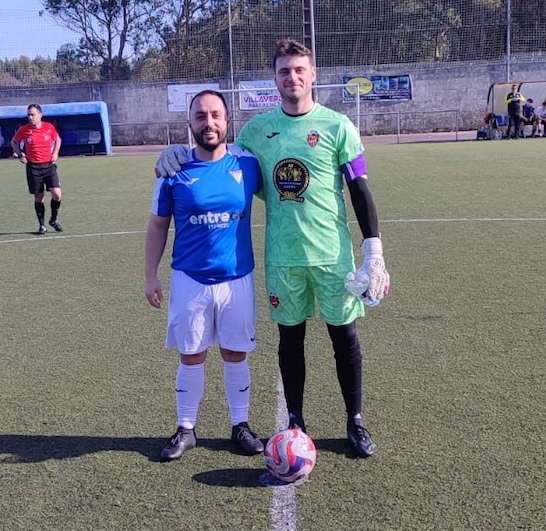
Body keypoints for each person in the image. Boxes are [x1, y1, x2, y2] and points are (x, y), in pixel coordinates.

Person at [156, 38, 390, 458]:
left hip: (332, 255)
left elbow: (359, 189)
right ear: (275, 78)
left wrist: (374, 252)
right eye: (284, 71)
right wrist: (176, 151)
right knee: (290, 339)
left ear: (313, 74)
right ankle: (296, 420)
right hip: (282, 258)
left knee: (345, 338)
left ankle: (355, 420)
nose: (292, 77)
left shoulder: (338, 126)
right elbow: (217, 158)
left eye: (300, 70)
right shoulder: (256, 132)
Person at [146, 90, 265, 461]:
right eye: (200, 116)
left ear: (228, 121)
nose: (208, 122)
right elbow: (157, 225)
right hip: (190, 281)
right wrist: (150, 275)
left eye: (215, 115)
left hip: (236, 280)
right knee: (191, 355)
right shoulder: (173, 170)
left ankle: (240, 425)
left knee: (235, 353)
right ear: (190, 123)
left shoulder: (248, 164)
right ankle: (186, 428)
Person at [11, 104, 64, 235]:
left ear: (40, 115)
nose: (30, 117)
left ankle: (54, 219)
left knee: (57, 195)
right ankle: (42, 225)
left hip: (49, 165)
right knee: (39, 198)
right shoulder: (24, 129)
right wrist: (19, 154)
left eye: (32, 114)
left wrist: (55, 153)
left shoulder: (48, 127)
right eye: (28, 115)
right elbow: (14, 142)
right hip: (34, 167)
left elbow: (58, 139)